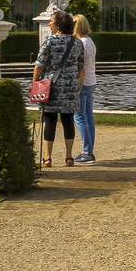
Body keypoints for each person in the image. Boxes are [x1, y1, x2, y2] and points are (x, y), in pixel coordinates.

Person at [32, 12, 84, 168]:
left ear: (58, 24)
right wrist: (78, 86)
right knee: (68, 120)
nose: (49, 23)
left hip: (51, 87)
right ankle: (69, 157)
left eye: (51, 21)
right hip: (71, 86)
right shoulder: (77, 43)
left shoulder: (49, 41)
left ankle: (47, 158)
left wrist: (35, 82)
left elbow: (39, 65)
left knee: (50, 120)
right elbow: (82, 68)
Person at [72, 14, 98, 164]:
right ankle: (88, 150)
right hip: (91, 81)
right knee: (88, 117)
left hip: (83, 82)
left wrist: (77, 85)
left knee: (80, 117)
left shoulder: (80, 43)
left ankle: (87, 152)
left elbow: (80, 66)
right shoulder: (90, 41)